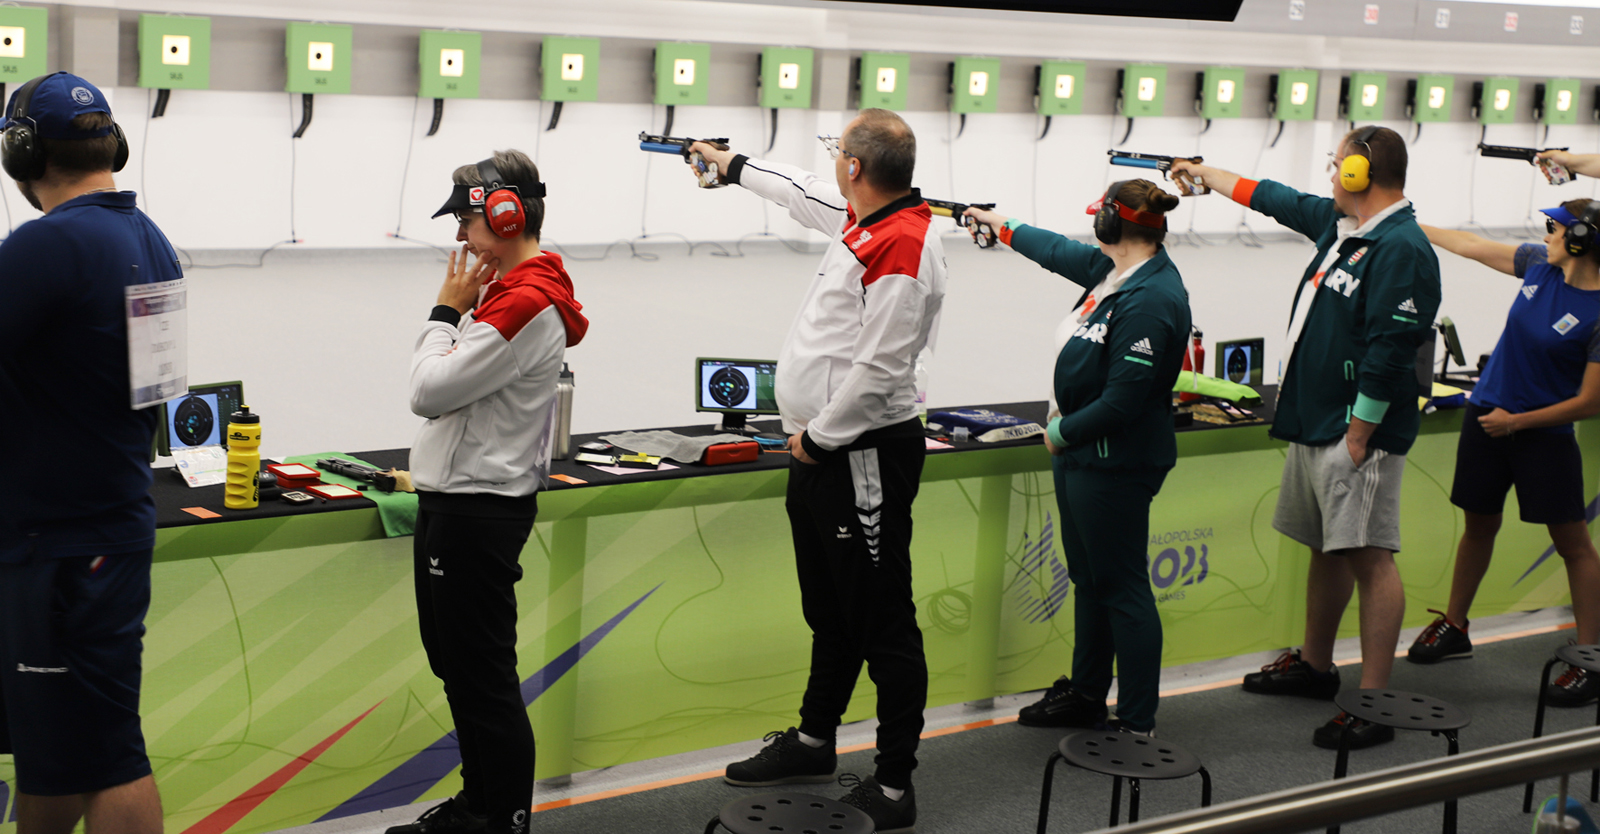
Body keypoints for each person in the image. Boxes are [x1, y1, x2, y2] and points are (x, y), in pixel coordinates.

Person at [683, 109, 945, 834]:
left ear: (855, 168)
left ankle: (894, 784)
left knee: (883, 618)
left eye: (837, 154)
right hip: (828, 450)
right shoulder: (867, 220)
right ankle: (814, 741)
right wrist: (728, 164)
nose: (830, 164)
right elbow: (799, 189)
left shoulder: (902, 244)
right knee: (830, 608)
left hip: (856, 455)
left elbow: (880, 368)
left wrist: (820, 440)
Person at [1172, 127, 1441, 749]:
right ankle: (1317, 667)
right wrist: (1202, 172)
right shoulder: (1344, 227)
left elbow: (1393, 348)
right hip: (1319, 420)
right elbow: (1270, 196)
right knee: (1328, 546)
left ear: (1357, 173)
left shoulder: (1402, 247)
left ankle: (1372, 703)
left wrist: (1360, 431)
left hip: (1355, 433)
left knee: (1371, 555)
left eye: (1336, 164)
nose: (1328, 175)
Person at [390, 150, 588, 834]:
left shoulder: (527, 301)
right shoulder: (511, 293)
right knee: (461, 668)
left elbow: (427, 391)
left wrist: (444, 313)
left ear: (501, 214)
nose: (459, 241)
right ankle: (481, 802)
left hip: (476, 510)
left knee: (482, 678)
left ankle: (500, 815)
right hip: (459, 503)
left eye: (465, 224)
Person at [0, 72, 176, 834]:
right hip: (104, 524)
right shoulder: (149, 239)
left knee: (106, 755)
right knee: (54, 751)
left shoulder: (46, 246)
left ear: (22, 152)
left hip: (62, 546)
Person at [964, 181, 1192, 736]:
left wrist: (1062, 433)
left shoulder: (1152, 299)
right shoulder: (1117, 272)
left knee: (1123, 589)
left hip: (1113, 459)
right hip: (1083, 455)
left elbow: (1124, 400)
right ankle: (1089, 693)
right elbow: (1056, 251)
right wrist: (1003, 224)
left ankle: (1137, 722)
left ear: (1114, 223)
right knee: (1090, 580)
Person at [1407, 204, 1600, 708]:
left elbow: (1591, 402)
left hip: (1543, 434)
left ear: (1581, 239)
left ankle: (1590, 657)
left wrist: (1518, 423)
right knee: (1479, 525)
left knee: (1573, 545)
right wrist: (1404, 223)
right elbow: (1468, 245)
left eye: (1555, 227)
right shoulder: (1539, 264)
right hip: (1487, 418)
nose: (1546, 233)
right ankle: (1455, 625)